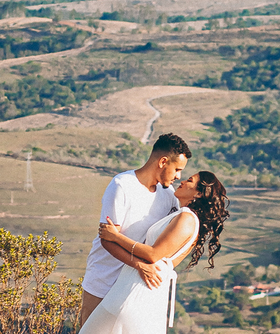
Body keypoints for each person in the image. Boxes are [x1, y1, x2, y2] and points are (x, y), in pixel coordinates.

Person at [79, 171, 229, 334]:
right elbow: (170, 261)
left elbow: (153, 254)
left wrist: (116, 237)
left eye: (190, 180)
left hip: (134, 291)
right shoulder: (185, 217)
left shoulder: (186, 218)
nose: (183, 181)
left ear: (199, 193)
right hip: (139, 289)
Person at [79, 133, 192, 326]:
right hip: (104, 280)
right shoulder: (122, 185)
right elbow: (107, 239)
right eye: (177, 169)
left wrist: (165, 267)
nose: (179, 176)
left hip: (135, 286)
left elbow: (185, 234)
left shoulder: (170, 196)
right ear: (163, 162)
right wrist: (140, 265)